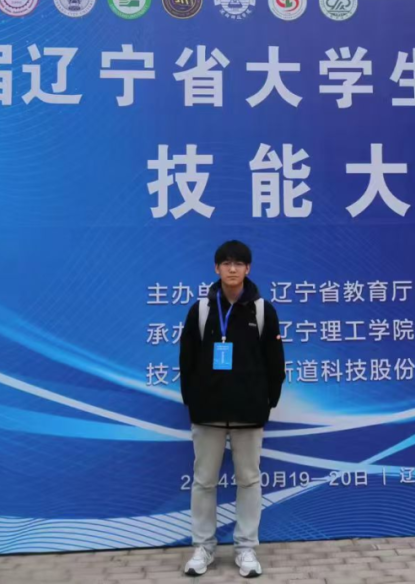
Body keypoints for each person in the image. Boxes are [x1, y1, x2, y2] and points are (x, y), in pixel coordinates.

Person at [178, 240, 286, 578]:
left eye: (239, 263)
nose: (233, 268)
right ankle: (203, 547)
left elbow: (275, 364)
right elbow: (187, 361)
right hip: (208, 411)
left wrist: (266, 403)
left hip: (249, 412)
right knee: (203, 481)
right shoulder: (201, 310)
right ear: (216, 268)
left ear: (248, 268)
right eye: (226, 263)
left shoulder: (262, 311)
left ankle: (246, 548)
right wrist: (194, 401)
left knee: (249, 480)